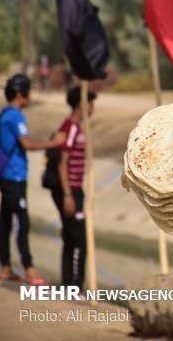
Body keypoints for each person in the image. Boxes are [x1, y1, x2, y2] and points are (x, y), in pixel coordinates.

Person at [0, 74, 65, 285]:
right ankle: (29, 269)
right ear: (20, 94)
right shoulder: (16, 117)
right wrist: (52, 143)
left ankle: (6, 267)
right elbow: (26, 144)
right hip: (14, 176)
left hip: (5, 176)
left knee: (6, 222)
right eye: (28, 91)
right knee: (21, 222)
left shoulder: (4, 114)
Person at [49, 86, 96, 291]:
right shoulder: (71, 128)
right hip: (70, 191)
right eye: (91, 103)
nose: (93, 108)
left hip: (75, 190)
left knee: (69, 237)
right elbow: (62, 162)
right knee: (80, 240)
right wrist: (68, 194)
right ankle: (75, 286)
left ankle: (68, 284)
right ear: (81, 104)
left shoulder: (76, 128)